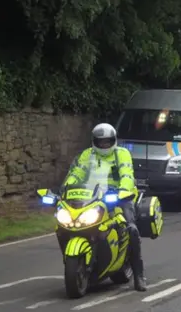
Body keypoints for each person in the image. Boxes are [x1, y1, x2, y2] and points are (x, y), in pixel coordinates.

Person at [63, 123, 147, 291]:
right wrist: (67, 187)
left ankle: (139, 275)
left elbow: (127, 174)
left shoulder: (121, 154)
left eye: (107, 142)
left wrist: (123, 191)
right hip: (93, 197)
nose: (104, 145)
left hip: (120, 197)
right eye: (101, 142)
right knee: (68, 222)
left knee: (130, 228)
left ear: (113, 140)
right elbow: (77, 173)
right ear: (94, 141)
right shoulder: (88, 155)